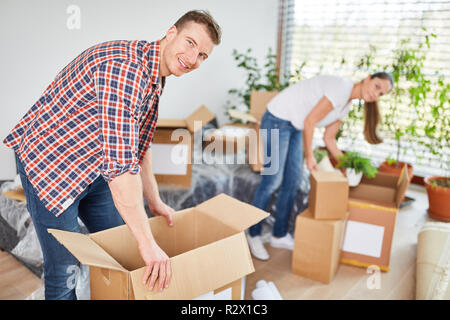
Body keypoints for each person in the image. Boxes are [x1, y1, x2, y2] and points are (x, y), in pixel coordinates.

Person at [3, 10, 221, 299]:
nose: (193, 59)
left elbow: (138, 146)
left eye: (203, 55)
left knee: (122, 245)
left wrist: (154, 201)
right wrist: (148, 244)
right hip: (51, 167)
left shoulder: (155, 74)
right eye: (190, 43)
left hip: (93, 167)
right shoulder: (126, 71)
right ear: (171, 33)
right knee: (65, 270)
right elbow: (120, 171)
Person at [246, 72, 393, 260]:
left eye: (381, 94)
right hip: (278, 118)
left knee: (293, 182)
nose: (376, 94)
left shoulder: (346, 106)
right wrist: (310, 157)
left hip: (295, 125)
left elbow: (329, 138)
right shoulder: (341, 87)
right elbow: (310, 121)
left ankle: (279, 235)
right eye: (377, 86)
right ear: (367, 79)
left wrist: (346, 165)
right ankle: (253, 233)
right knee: (273, 180)